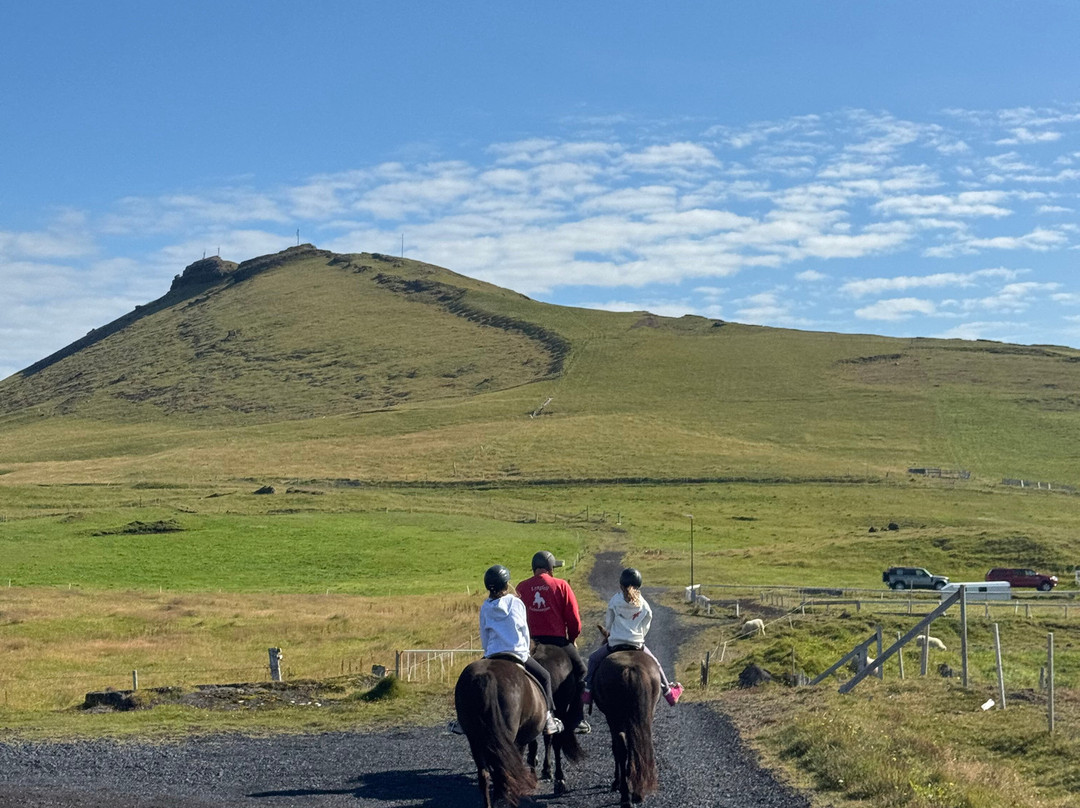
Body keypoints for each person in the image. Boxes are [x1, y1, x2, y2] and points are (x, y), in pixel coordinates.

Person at [467, 564, 564, 736]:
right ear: (506, 584)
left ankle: (463, 720)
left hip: (492, 654)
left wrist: (487, 652)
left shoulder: (485, 606)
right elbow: (524, 630)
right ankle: (549, 718)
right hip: (517, 653)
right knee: (545, 676)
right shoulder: (516, 602)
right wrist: (524, 651)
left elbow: (484, 634)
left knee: (470, 680)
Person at [582, 567, 683, 706]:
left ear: (621, 585)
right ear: (639, 585)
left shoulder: (615, 600)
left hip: (615, 644)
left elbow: (609, 622)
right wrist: (639, 635)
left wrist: (612, 632)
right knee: (656, 664)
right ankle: (669, 693)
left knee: (593, 659)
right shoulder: (644, 604)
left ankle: (587, 691)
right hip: (637, 645)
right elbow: (646, 623)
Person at [516, 550, 590, 734]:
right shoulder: (561, 585)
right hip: (558, 641)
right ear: (550, 568)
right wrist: (572, 639)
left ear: (534, 568)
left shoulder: (521, 587)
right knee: (582, 672)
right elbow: (574, 620)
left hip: (530, 644)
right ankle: (577, 717)